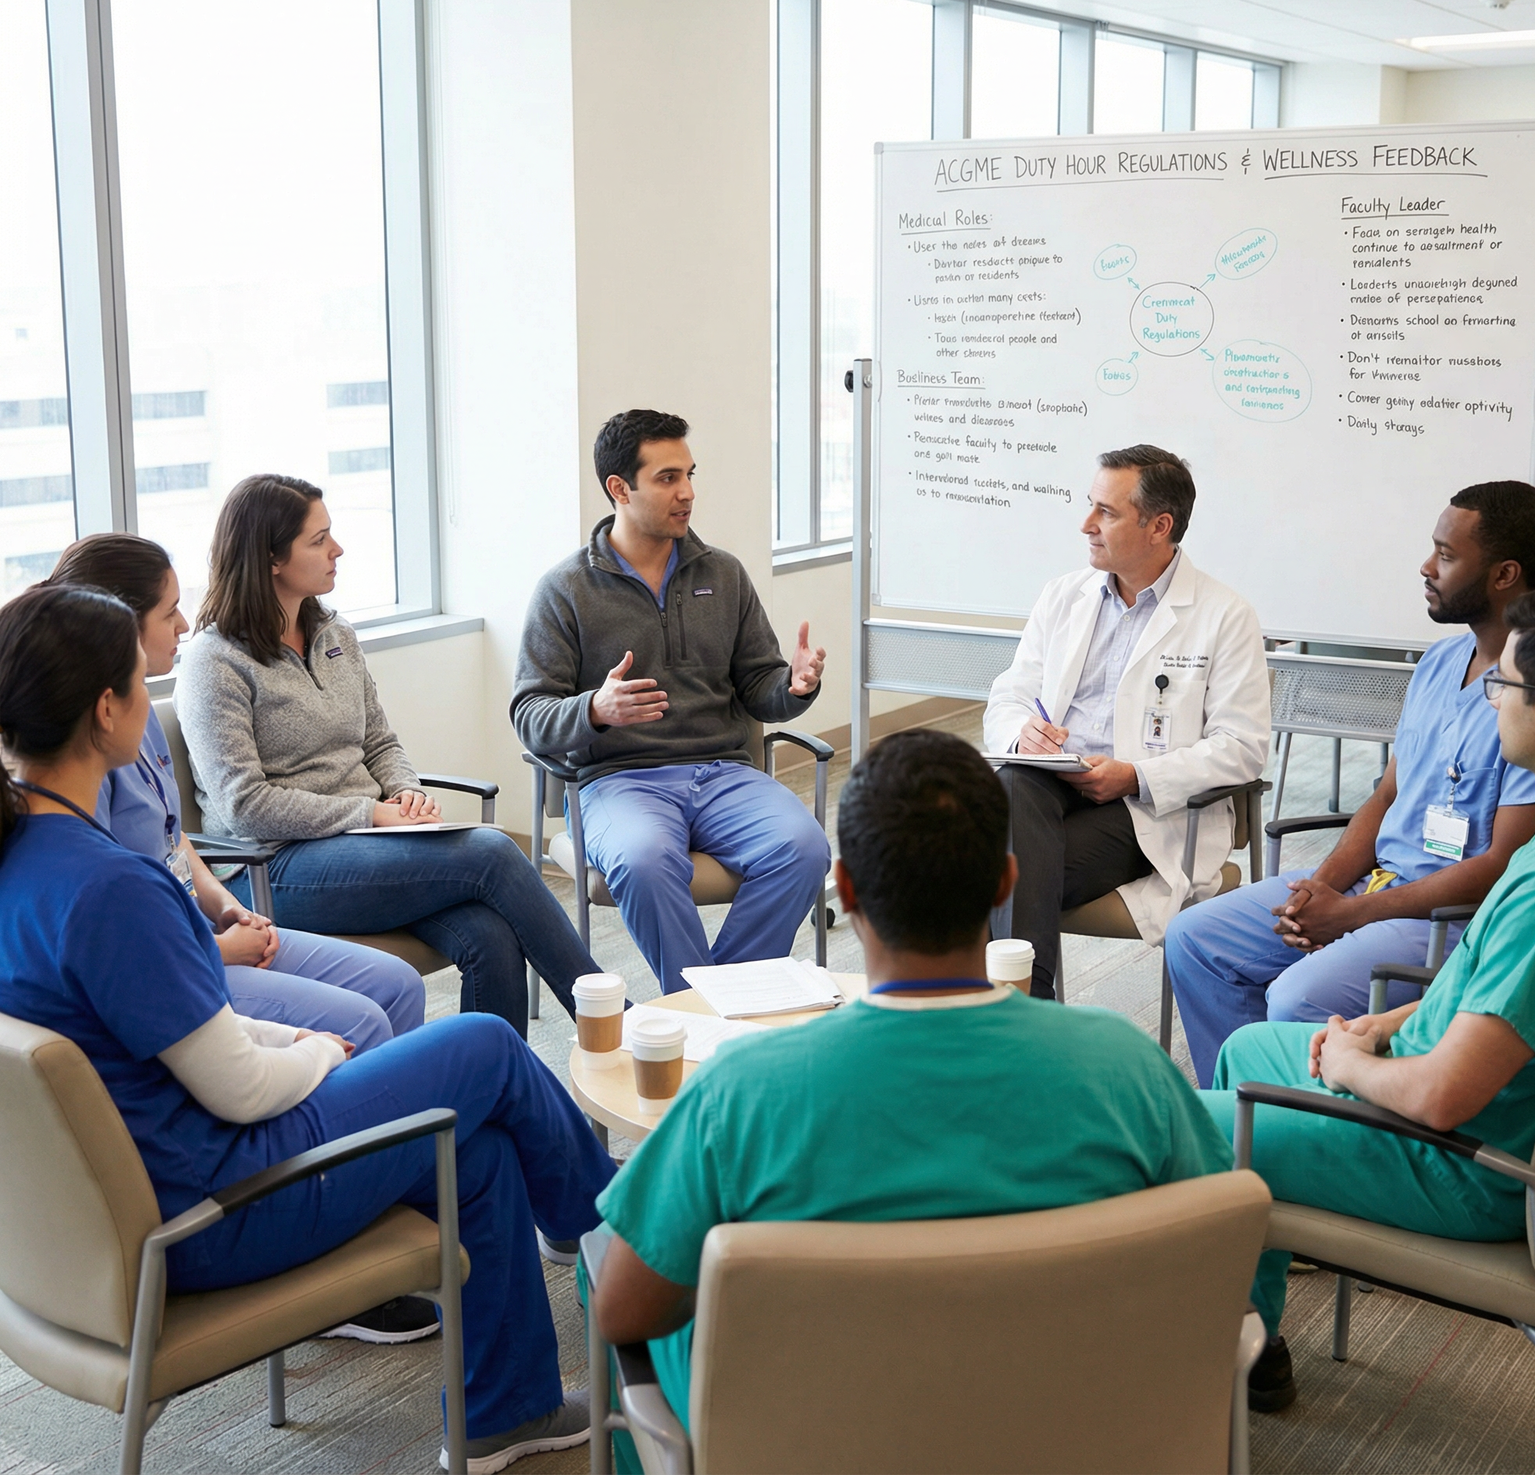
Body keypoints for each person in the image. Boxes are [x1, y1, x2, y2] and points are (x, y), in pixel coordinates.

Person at [0, 584, 616, 1472]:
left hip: (110, 1218)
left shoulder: (25, 859)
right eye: (141, 679)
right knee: (482, 1048)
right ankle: (633, 1249)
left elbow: (178, 1050)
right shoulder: (112, 891)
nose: (150, 695)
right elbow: (240, 1089)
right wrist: (322, 1051)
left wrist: (294, 1046)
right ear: (105, 710)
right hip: (222, 1209)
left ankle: (504, 1410)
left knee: (473, 1152)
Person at [591, 729, 1234, 1436]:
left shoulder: (743, 1092)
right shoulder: (1126, 1067)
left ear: (844, 891)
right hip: (1068, 1434)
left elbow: (622, 1311)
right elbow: (1223, 1268)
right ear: (1005, 884)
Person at [1198, 586, 1535, 1412]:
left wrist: (1350, 1064)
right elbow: (1520, 1000)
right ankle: (1257, 1341)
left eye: (1505, 686)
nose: (1491, 699)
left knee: (1190, 1128)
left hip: (1466, 1164)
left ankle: (1193, 1376)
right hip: (1469, 1105)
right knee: (1244, 1053)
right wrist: (1403, 1016)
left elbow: (1444, 1094)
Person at [1166, 482, 1535, 1088]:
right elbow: (1385, 798)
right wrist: (1316, 895)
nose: (1427, 568)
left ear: (1506, 574)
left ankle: (1302, 1145)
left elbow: (1500, 865)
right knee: (1195, 937)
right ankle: (1235, 1121)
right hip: (1378, 886)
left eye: (1447, 556)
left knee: (1298, 998)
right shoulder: (1436, 665)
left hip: (1448, 918)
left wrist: (1349, 915)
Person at [174, 474, 600, 1032]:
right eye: (318, 539)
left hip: (369, 843)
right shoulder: (215, 661)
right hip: (270, 866)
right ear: (271, 558)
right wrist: (371, 812)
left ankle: (492, 1100)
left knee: (489, 935)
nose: (337, 549)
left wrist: (406, 792)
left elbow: (378, 741)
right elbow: (243, 805)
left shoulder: (334, 633)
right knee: (493, 851)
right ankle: (606, 1016)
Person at [49, 534, 425, 1059]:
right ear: (117, 624)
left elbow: (171, 837)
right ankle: (356, 1128)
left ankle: (404, 1129)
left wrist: (227, 909)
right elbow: (119, 939)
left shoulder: (138, 712)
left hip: (202, 929)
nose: (184, 625)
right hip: (177, 958)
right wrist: (222, 948)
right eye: (170, 612)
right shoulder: (77, 761)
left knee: (399, 983)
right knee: (364, 1017)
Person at [512, 411, 831, 993]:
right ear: (619, 489)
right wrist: (594, 710)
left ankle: (709, 1009)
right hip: (619, 778)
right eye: (666, 478)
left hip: (723, 774)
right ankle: (705, 1011)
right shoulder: (566, 590)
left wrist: (794, 686)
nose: (687, 492)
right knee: (643, 861)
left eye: (688, 474)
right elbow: (530, 716)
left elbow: (759, 683)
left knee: (805, 847)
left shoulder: (724, 574)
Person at [983, 445, 1271, 999]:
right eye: (1090, 505)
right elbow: (1012, 692)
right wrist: (1024, 731)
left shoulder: (1225, 615)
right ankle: (1026, 1013)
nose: (1086, 524)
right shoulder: (1063, 595)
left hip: (1145, 811)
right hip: (1048, 788)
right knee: (1015, 782)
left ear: (1159, 526)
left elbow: (1242, 748)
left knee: (978, 874)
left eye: (1106, 513)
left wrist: (1134, 776)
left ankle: (1015, 1012)